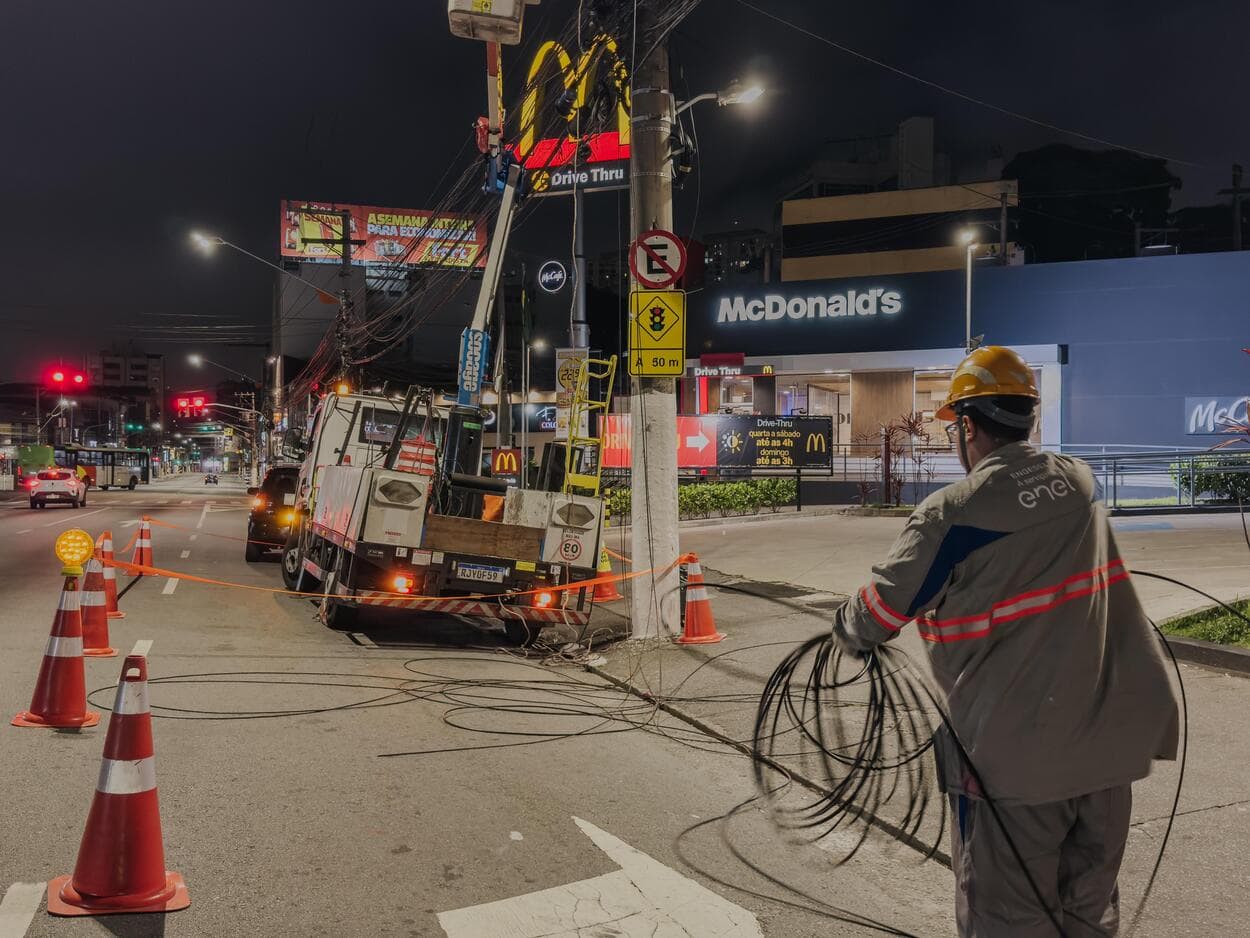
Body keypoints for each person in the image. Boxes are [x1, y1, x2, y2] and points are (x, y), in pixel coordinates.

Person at [831, 346, 1178, 937]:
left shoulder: (954, 513)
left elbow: (883, 610)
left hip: (1016, 762)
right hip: (1109, 749)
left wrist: (847, 625)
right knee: (1088, 912)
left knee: (1008, 921)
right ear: (1029, 418)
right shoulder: (1079, 483)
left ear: (967, 426)